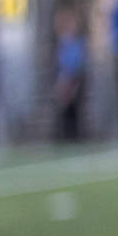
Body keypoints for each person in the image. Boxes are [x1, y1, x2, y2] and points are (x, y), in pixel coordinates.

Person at [52, 8, 88, 143]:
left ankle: (76, 137)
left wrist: (74, 82)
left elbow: (79, 62)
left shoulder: (77, 42)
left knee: (75, 109)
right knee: (65, 109)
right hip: (64, 78)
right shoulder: (62, 42)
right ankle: (65, 137)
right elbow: (60, 63)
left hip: (75, 78)